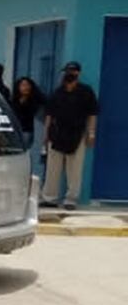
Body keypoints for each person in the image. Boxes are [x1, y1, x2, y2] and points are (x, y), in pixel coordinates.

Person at [41, 62, 100, 210]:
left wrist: (91, 133)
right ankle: (50, 198)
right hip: (56, 133)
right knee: (52, 168)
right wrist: (46, 134)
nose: (69, 73)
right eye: (67, 71)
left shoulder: (86, 92)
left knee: (75, 169)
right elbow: (49, 114)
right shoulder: (57, 92)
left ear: (78, 73)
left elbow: (92, 114)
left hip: (76, 134)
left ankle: (71, 200)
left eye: (72, 71)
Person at [10, 77, 46, 149]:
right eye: (23, 85)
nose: (26, 88)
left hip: (27, 131)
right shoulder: (14, 102)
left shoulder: (36, 102)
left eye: (28, 85)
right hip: (15, 131)